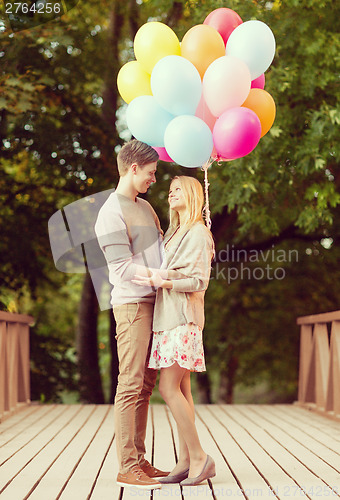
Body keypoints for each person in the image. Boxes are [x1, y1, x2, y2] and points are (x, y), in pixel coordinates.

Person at [95, 139, 170, 490]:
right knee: (130, 383)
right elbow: (122, 269)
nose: (154, 179)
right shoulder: (111, 212)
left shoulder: (147, 208)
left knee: (146, 386)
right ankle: (127, 466)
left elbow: (162, 251)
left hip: (157, 303)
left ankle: (140, 460)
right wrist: (158, 279)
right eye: (151, 173)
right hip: (133, 305)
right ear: (133, 168)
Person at [132, 175, 216, 486]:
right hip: (166, 320)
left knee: (168, 387)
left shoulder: (197, 233)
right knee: (182, 389)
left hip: (183, 319)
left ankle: (199, 457)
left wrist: (161, 280)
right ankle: (184, 460)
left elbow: (198, 281)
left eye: (178, 189)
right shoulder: (174, 233)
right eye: (169, 190)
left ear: (194, 194)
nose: (171, 193)